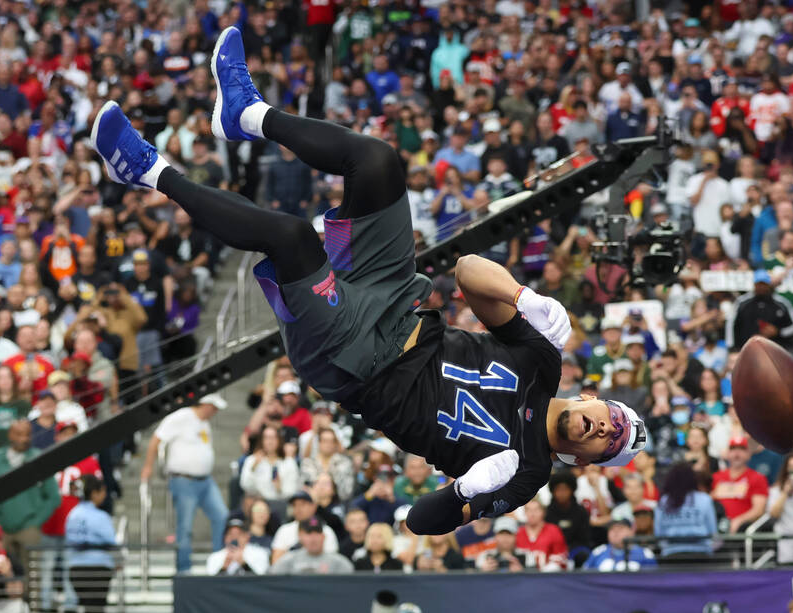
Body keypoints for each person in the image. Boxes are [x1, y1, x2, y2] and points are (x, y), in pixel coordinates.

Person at [90, 31, 648, 539]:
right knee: (377, 162)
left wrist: (465, 492)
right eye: (613, 421)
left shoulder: (525, 473)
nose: (602, 428)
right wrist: (525, 299)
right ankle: (248, 113)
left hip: (357, 361)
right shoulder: (543, 362)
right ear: (601, 399)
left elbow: (417, 521)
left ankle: (144, 170)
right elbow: (468, 271)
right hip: (399, 305)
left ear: (587, 459)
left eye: (607, 442)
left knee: (291, 238)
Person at [141, 393, 230, 573]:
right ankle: (183, 569)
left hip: (205, 480)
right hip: (183, 480)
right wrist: (148, 467)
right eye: (213, 407)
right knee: (185, 527)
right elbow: (156, 439)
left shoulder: (204, 423)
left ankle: (219, 564)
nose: (215, 412)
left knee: (222, 516)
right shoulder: (181, 416)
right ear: (205, 403)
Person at [0, 420, 60, 564]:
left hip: (29, 527)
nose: (24, 439)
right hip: (1, 529)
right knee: (5, 577)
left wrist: (35, 522)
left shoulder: (39, 458)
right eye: (19, 434)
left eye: (27, 435)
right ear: (10, 435)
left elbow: (53, 497)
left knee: (32, 579)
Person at [65, 475, 118, 613]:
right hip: (97, 570)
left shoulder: (72, 515)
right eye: (101, 491)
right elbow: (111, 540)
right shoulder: (100, 517)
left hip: (76, 569)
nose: (104, 495)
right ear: (94, 492)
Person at [654, 461, 718, 561]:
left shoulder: (663, 501)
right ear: (693, 479)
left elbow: (658, 533)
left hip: (671, 556)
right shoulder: (705, 499)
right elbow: (712, 531)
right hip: (701, 556)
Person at [269, 516, 355, 574]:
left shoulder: (339, 563)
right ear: (301, 537)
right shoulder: (288, 561)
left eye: (317, 533)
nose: (313, 538)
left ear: (323, 537)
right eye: (309, 533)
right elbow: (272, 580)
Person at [204, 517, 272, 576]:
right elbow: (211, 585)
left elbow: (262, 582)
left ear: (247, 537)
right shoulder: (214, 557)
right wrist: (224, 568)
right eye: (231, 534)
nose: (234, 538)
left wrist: (244, 564)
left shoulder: (260, 554)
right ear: (225, 538)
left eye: (239, 534)